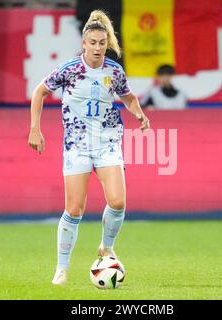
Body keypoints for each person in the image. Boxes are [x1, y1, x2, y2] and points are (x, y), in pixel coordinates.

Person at [27, 10, 150, 286]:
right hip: (77, 145)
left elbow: (128, 97)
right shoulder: (70, 69)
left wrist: (139, 113)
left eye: (102, 43)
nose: (97, 48)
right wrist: (35, 128)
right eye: (92, 42)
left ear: (107, 44)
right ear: (84, 43)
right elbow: (39, 92)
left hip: (108, 142)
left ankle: (106, 247)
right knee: (74, 209)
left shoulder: (114, 71)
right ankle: (61, 268)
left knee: (118, 201)